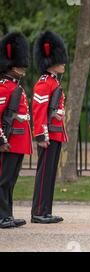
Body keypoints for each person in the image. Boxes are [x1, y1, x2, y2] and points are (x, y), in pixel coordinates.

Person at [31, 31, 68, 224]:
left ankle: (45, 210)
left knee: (50, 174)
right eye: (60, 59)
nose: (63, 63)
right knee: (44, 173)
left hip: (55, 135)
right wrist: (41, 135)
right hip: (48, 136)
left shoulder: (53, 82)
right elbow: (39, 111)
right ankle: (38, 211)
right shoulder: (44, 83)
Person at [0, 32, 31, 229]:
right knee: (3, 181)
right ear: (10, 66)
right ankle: (2, 216)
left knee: (10, 181)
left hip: (18, 142)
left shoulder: (13, 85)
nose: (22, 68)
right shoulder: (3, 87)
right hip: (8, 142)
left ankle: (7, 214)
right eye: (19, 65)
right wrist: (1, 140)